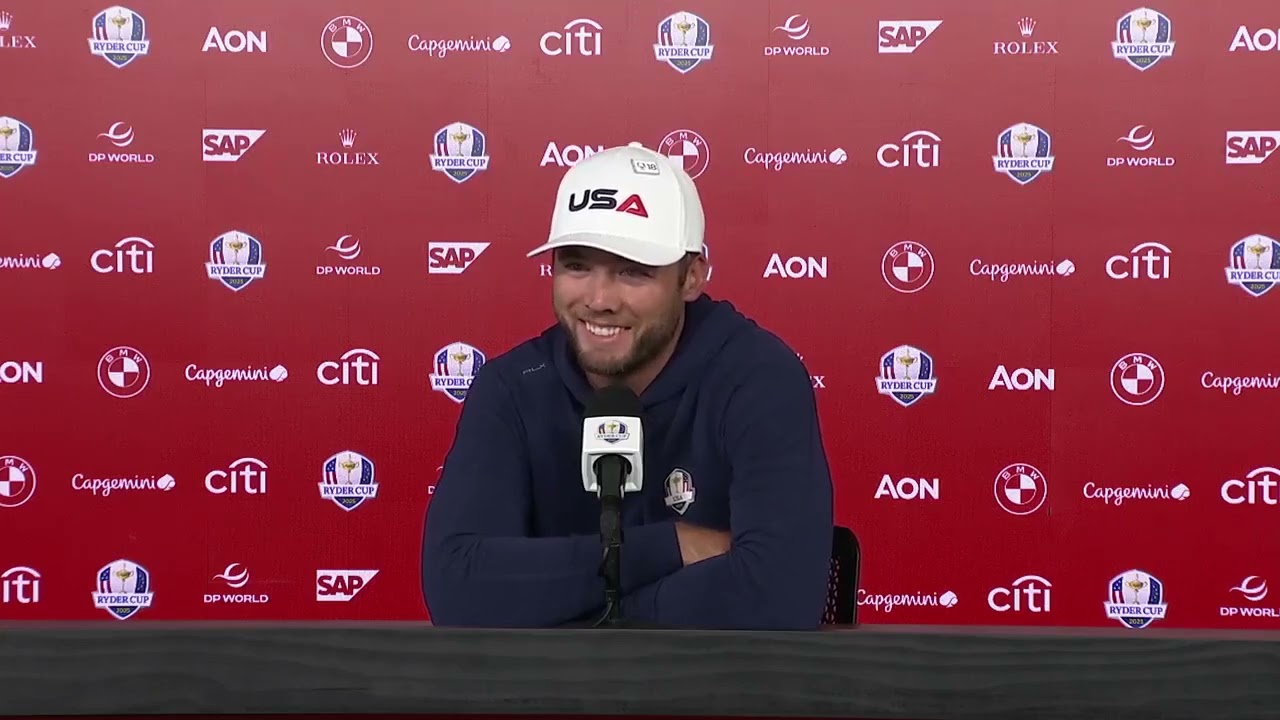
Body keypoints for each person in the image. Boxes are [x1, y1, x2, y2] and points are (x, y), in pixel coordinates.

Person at [420, 142, 834, 630]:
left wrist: (574, 612)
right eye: (576, 265)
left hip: (717, 698)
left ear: (691, 277)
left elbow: (779, 596)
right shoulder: (511, 387)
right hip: (548, 702)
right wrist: (674, 545)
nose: (599, 299)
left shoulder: (758, 377)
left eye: (632, 271)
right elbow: (458, 588)